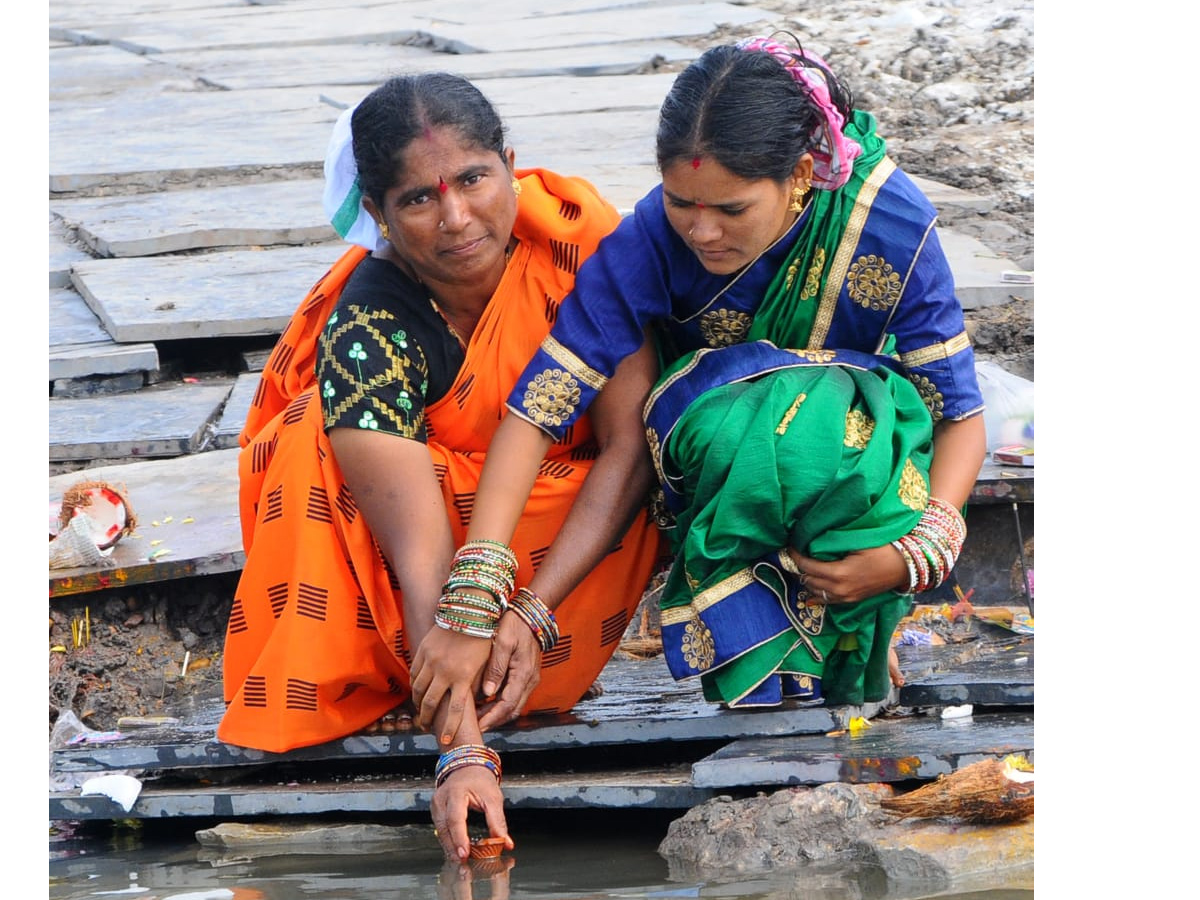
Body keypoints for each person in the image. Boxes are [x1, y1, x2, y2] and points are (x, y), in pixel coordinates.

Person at [436, 35, 986, 720]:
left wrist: (912, 557)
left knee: (812, 427)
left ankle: (855, 623)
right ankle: (765, 630)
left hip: (858, 462)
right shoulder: (650, 240)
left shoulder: (887, 225)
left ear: (801, 178)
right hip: (713, 463)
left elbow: (959, 415)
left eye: (731, 211)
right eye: (680, 201)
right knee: (752, 432)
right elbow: (538, 409)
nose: (701, 231)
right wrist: (484, 599)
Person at [218, 73, 662, 861]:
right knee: (306, 434)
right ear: (381, 218)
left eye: (473, 179)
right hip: (425, 601)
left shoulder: (581, 239)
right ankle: (412, 685)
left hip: (559, 577)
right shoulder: (368, 326)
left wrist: (530, 611)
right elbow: (423, 558)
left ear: (510, 165)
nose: (457, 218)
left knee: (681, 424)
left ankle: (452, 679)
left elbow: (629, 449)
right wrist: (462, 754)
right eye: (419, 200)